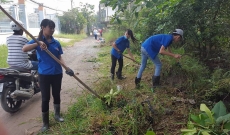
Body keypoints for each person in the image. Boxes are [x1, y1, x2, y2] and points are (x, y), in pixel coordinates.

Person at [22, 19, 74, 132]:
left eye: (53, 28)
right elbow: (24, 48)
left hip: (57, 73)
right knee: (45, 98)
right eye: (50, 27)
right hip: (44, 74)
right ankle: (45, 123)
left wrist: (67, 68)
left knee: (56, 95)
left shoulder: (56, 43)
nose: (52, 30)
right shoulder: (38, 41)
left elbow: (60, 57)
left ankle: (57, 115)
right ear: (43, 27)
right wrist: (38, 43)